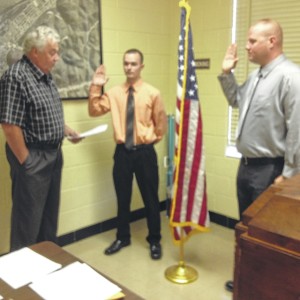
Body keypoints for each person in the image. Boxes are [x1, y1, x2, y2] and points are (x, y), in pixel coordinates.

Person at [218, 19, 300, 292]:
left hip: (271, 170)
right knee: (246, 227)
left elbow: (297, 132)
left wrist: (288, 176)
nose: (247, 46)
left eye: (253, 41)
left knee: (265, 236)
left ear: (272, 42)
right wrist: (227, 73)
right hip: (248, 166)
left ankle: (262, 287)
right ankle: (245, 277)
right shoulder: (256, 76)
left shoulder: (291, 77)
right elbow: (236, 101)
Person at [0, 26, 82, 252]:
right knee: (27, 224)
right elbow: (9, 125)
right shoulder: (16, 76)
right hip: (33, 158)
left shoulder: (46, 77)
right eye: (52, 52)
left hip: (54, 155)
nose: (57, 58)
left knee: (48, 220)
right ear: (34, 51)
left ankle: (47, 267)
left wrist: (65, 130)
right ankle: (23, 282)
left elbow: (43, 114)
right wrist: (26, 162)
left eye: (57, 52)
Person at [88, 48, 167, 259]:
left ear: (141, 66)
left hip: (144, 153)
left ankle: (155, 240)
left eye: (133, 63)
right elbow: (94, 110)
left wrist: (146, 141)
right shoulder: (114, 93)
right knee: (122, 199)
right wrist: (96, 85)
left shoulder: (153, 93)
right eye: (126, 63)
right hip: (122, 153)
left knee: (150, 198)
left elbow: (160, 127)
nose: (129, 67)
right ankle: (123, 237)